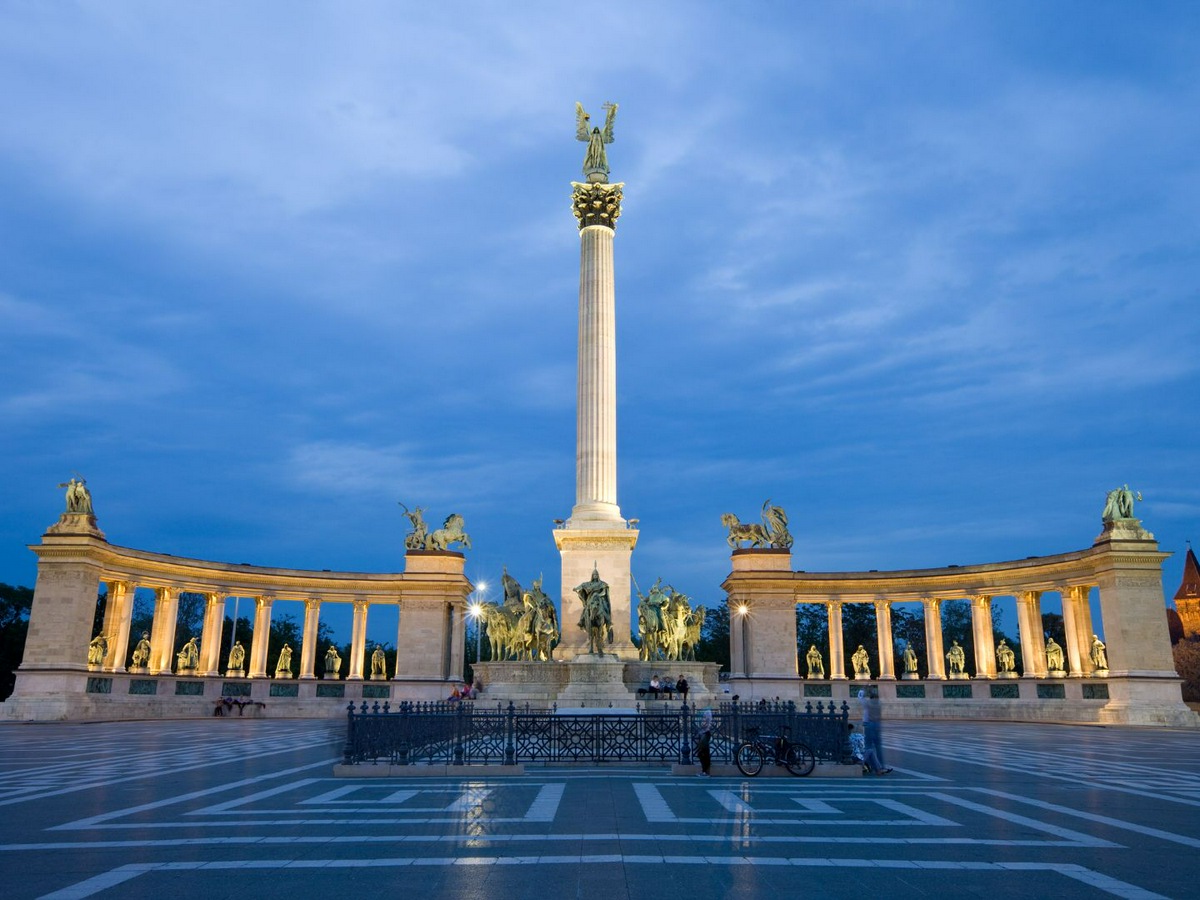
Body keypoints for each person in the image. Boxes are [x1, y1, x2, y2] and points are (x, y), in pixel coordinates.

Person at [858, 687, 892, 775]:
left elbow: (860, 696)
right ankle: (881, 766)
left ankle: (867, 765)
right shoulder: (879, 703)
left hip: (869, 725)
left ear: (870, 697)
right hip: (877, 725)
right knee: (878, 747)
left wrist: (863, 689)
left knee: (868, 746)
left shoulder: (867, 703)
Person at [695, 706, 713, 776]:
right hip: (705, 734)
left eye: (704, 717)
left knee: (702, 753)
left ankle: (705, 771)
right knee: (704, 753)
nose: (703, 719)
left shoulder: (707, 717)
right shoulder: (708, 715)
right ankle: (705, 771)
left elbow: (704, 725)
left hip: (705, 734)